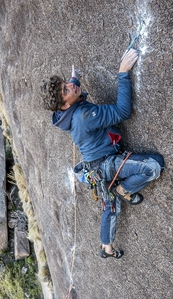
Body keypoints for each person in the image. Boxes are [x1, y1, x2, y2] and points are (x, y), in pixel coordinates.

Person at [41, 48, 164, 259]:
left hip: (95, 168)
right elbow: (123, 112)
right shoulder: (83, 116)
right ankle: (124, 189)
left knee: (110, 205)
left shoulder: (65, 112)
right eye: (65, 89)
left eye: (66, 83)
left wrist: (74, 78)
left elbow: (73, 90)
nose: (70, 86)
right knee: (154, 165)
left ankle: (106, 247)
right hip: (106, 163)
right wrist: (123, 73)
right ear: (63, 105)